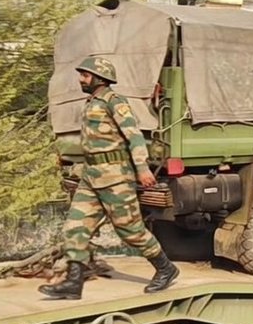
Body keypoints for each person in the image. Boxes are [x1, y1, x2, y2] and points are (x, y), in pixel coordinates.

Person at [40, 56, 179, 300]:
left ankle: (166, 269)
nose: (81, 79)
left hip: (116, 178)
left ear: (100, 78)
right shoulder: (91, 102)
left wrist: (142, 168)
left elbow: (133, 136)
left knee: (131, 230)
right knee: (75, 228)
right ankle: (73, 283)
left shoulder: (115, 102)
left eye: (85, 75)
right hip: (91, 177)